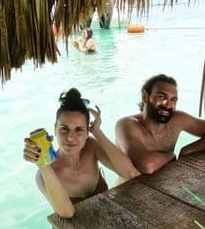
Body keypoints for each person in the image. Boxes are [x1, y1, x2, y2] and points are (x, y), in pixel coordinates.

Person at [22, 88, 140, 218]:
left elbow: (131, 174)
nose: (70, 137)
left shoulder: (91, 147)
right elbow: (67, 213)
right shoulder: (43, 174)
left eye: (78, 130)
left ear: (87, 132)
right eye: (64, 129)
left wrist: (98, 132)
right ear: (55, 130)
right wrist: (43, 164)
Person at [116, 74, 205, 175]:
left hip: (164, 185)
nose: (168, 104)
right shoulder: (126, 124)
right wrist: (171, 156)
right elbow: (147, 166)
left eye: (173, 100)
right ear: (145, 97)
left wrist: (187, 151)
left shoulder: (177, 119)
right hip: (127, 191)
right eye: (162, 97)